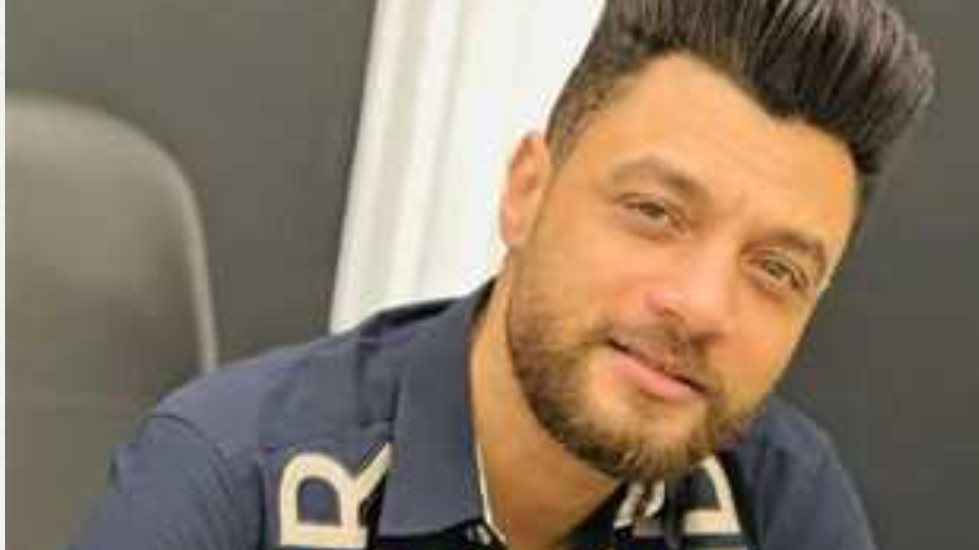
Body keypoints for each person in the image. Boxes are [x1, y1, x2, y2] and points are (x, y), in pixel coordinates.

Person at [71, 1, 935, 549]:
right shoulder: (231, 483)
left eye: (776, 269)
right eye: (653, 212)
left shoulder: (779, 503)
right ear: (527, 191)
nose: (703, 305)